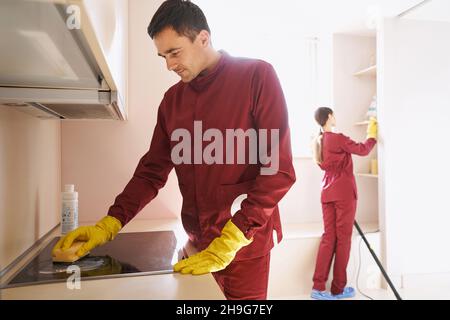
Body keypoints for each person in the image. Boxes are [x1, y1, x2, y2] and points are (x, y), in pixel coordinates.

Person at [52, 0, 296, 300]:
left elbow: (279, 171)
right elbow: (151, 172)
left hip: (245, 246)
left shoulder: (257, 76)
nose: (169, 64)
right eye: (162, 56)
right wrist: (110, 222)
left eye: (174, 52)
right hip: (195, 244)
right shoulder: (172, 102)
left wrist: (234, 237)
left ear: (203, 38)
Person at [310, 107, 377, 300]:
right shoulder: (337, 138)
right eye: (334, 114)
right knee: (343, 239)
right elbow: (363, 150)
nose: (335, 117)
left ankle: (318, 288)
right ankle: (338, 289)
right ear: (329, 117)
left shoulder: (319, 141)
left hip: (327, 193)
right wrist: (371, 135)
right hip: (344, 194)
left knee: (328, 237)